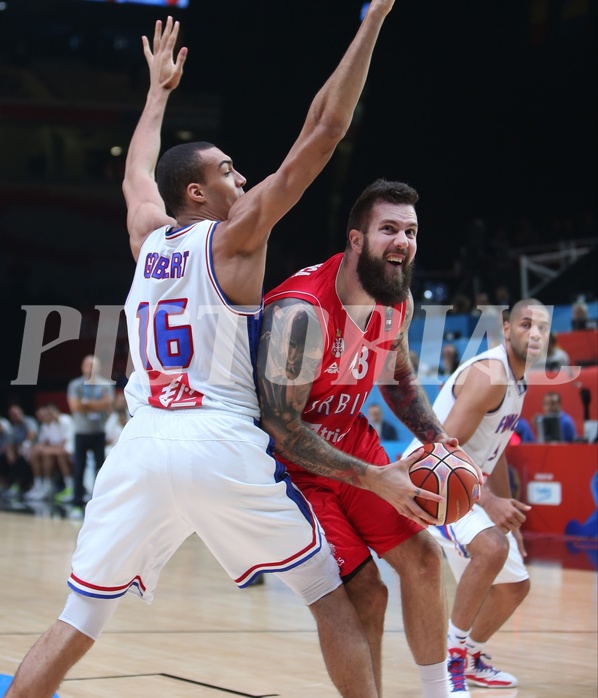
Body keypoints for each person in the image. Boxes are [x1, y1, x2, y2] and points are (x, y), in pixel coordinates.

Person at [6, 6, 400, 697]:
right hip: (217, 439)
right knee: (329, 597)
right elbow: (326, 130)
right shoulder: (234, 237)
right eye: (227, 170)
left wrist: (157, 94)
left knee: (77, 618)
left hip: (142, 445)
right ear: (197, 193)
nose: (242, 179)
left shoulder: (147, 239)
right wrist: (373, 20)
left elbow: (135, 176)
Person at [258, 179, 484, 697]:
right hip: (289, 467)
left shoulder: (393, 299)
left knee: (425, 560)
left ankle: (439, 693)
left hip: (353, 444)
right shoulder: (300, 313)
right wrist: (374, 478)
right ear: (356, 239)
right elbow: (282, 428)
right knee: (366, 590)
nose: (402, 240)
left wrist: (439, 440)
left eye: (410, 230)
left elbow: (398, 378)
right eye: (389, 229)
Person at [404, 299, 551, 694]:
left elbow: (495, 450)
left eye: (542, 327)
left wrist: (505, 510)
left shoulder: (518, 380)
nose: (535, 333)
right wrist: (489, 503)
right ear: (506, 329)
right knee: (490, 548)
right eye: (526, 324)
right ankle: (451, 658)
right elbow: (444, 449)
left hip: (466, 485)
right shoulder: (490, 375)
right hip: (431, 484)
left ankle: (471, 657)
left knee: (515, 585)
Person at [66, 355, 115, 517]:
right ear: (82, 367)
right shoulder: (75, 385)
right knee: (78, 469)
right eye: (88, 365)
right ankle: (76, 505)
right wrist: (97, 405)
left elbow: (108, 404)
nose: (91, 368)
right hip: (81, 433)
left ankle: (100, 504)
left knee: (100, 470)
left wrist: (86, 404)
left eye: (94, 365)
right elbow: (75, 406)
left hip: (98, 433)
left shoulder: (106, 384)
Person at [24, 405, 74, 502]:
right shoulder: (46, 425)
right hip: (55, 450)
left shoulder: (66, 420)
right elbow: (43, 443)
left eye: (50, 413)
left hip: (70, 450)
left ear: (57, 411)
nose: (47, 416)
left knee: (59, 456)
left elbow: (63, 446)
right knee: (39, 454)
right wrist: (37, 449)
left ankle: (70, 487)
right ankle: (41, 486)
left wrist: (44, 449)